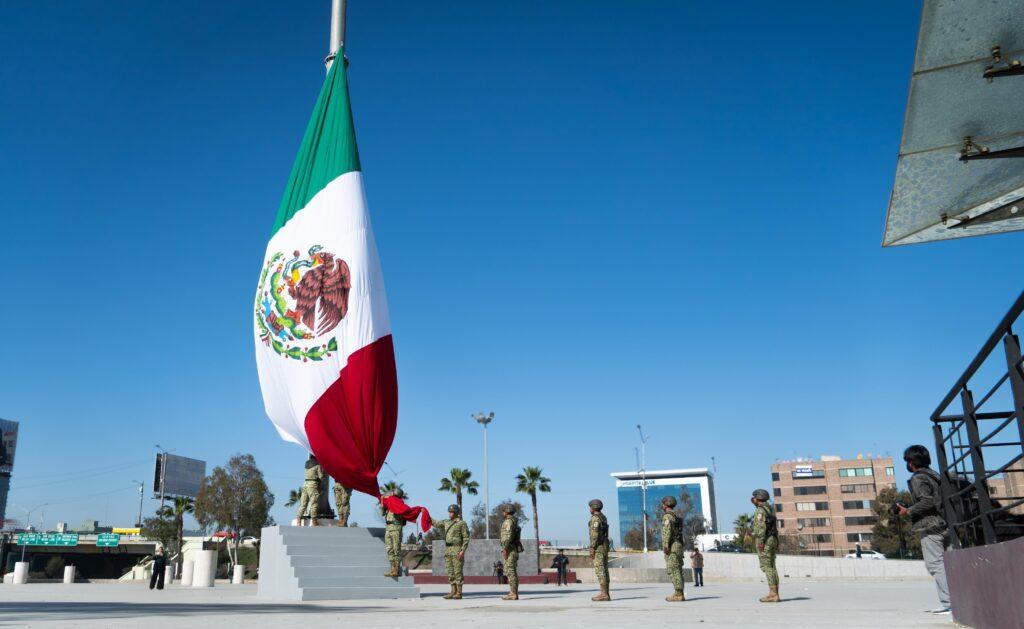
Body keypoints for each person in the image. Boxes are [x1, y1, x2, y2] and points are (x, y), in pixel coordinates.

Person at [897, 444, 951, 615]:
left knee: (935, 564)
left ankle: (948, 603)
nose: (908, 464)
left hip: (930, 525)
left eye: (908, 461)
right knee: (950, 563)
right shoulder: (935, 475)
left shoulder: (918, 478)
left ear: (912, 462)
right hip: (947, 523)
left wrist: (908, 510)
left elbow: (927, 501)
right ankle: (957, 599)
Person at [430, 504, 471, 600]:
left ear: (456, 513)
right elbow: (436, 523)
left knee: (457, 571)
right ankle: (453, 591)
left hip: (457, 549)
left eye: (452, 512)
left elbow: (466, 538)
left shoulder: (462, 523)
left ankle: (459, 592)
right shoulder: (446, 522)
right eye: (449, 512)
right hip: (448, 550)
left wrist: (462, 550)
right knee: (450, 572)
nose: (450, 514)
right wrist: (427, 515)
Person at [751, 488, 780, 603]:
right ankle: (775, 593)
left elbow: (761, 528)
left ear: (758, 498)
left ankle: (773, 594)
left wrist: (761, 542)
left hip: (765, 540)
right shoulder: (770, 508)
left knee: (767, 566)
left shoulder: (760, 510)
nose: (752, 499)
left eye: (754, 497)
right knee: (772, 566)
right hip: (773, 539)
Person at [660, 496, 686, 602]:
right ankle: (679, 592)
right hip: (678, 545)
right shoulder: (676, 516)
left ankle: (678, 594)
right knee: (678, 570)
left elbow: (667, 532)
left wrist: (666, 546)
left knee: (673, 570)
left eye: (663, 504)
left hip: (672, 546)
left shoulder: (667, 516)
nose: (662, 506)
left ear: (666, 505)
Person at [588, 499, 611, 602]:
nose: (589, 509)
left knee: (600, 569)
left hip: (599, 547)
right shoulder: (603, 517)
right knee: (604, 570)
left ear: (593, 507)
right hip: (604, 546)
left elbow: (594, 535)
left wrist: (592, 547)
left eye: (590, 507)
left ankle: (603, 594)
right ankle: (606, 593)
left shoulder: (595, 519)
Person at [499, 503, 524, 600]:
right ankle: (512, 592)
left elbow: (508, 536)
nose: (502, 512)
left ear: (506, 511)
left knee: (510, 571)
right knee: (511, 570)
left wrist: (505, 548)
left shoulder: (508, 522)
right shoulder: (513, 521)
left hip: (510, 549)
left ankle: (513, 593)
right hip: (512, 548)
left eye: (503, 511)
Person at [380, 490, 405, 577]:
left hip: (396, 528)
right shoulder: (389, 504)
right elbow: (382, 514)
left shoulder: (399, 503)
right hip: (388, 528)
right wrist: (383, 505)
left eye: (392, 493)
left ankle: (396, 569)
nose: (389, 494)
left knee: (396, 549)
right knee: (389, 549)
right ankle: (392, 568)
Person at [297, 454, 324, 526]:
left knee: (303, 504)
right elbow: (321, 477)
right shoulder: (317, 465)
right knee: (314, 503)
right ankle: (314, 521)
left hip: (305, 484)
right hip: (312, 484)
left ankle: (298, 521)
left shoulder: (306, 464)